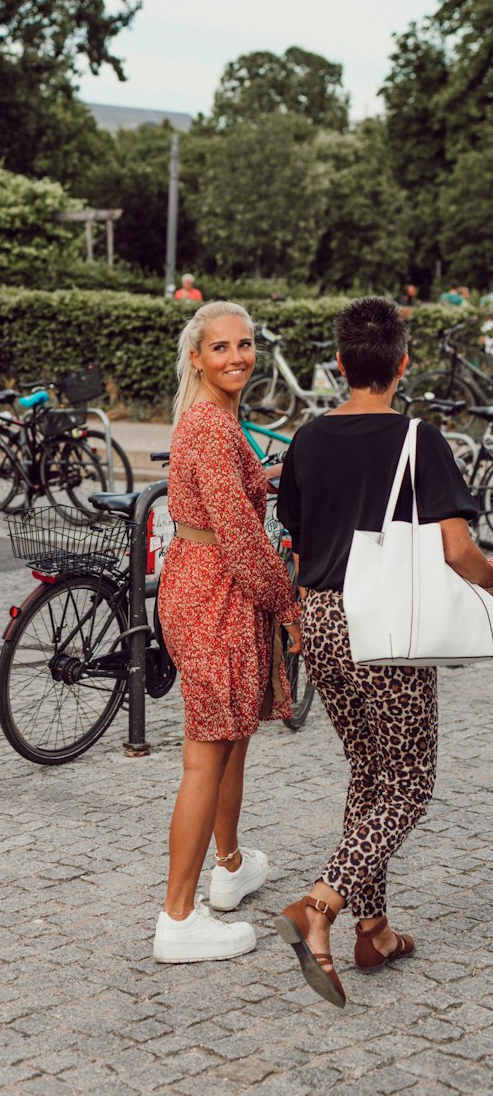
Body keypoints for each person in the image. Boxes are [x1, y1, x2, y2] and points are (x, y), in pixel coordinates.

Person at [272, 296, 493, 1007]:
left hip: (324, 622)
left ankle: (375, 930)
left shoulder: (306, 439)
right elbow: (458, 550)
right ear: (403, 365)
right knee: (409, 784)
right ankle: (322, 904)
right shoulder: (418, 440)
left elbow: (297, 539)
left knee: (369, 773)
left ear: (339, 365)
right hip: (387, 633)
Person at [151, 301, 300, 965]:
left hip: (207, 583)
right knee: (206, 752)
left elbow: (227, 503)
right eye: (221, 348)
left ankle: (231, 865)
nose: (237, 356)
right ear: (197, 358)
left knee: (233, 736)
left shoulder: (214, 421)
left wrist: (263, 477)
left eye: (245, 345)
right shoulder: (210, 426)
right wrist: (287, 602)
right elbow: (238, 537)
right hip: (212, 591)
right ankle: (177, 918)